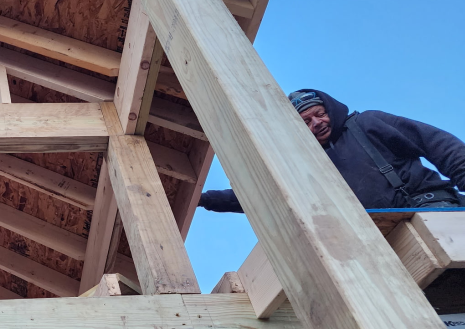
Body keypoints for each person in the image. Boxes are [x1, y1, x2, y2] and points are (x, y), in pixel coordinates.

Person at [199, 89, 465, 212]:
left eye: (319, 114)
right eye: (306, 122)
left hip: (429, 206)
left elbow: (436, 142)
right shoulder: (307, 165)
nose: (317, 123)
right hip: (379, 234)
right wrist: (204, 199)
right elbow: (262, 195)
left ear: (328, 110)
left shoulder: (368, 123)